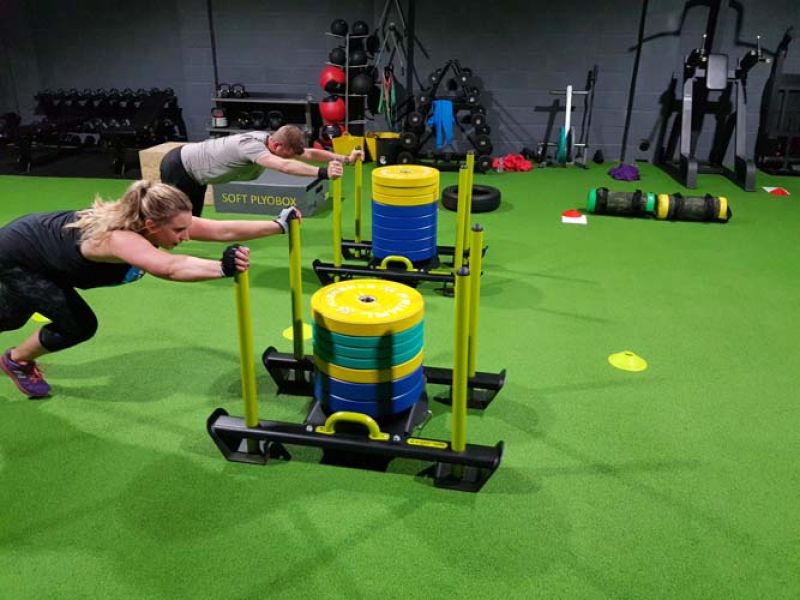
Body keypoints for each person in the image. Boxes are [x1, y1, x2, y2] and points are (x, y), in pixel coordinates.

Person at [0, 180, 293, 399]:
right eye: (179, 231)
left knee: (12, 317)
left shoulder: (153, 220)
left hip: (44, 257)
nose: (186, 235)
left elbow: (220, 230)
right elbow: (169, 267)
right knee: (78, 324)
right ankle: (17, 360)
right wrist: (222, 268)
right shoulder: (118, 238)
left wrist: (278, 225)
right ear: (151, 225)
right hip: (19, 257)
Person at [160, 124, 364, 216]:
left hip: (197, 176)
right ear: (277, 146)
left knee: (190, 219)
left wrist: (345, 159)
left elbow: (309, 154)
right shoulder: (252, 147)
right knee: (167, 215)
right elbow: (284, 166)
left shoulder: (273, 142)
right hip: (179, 166)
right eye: (287, 154)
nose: (289, 157)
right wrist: (323, 173)